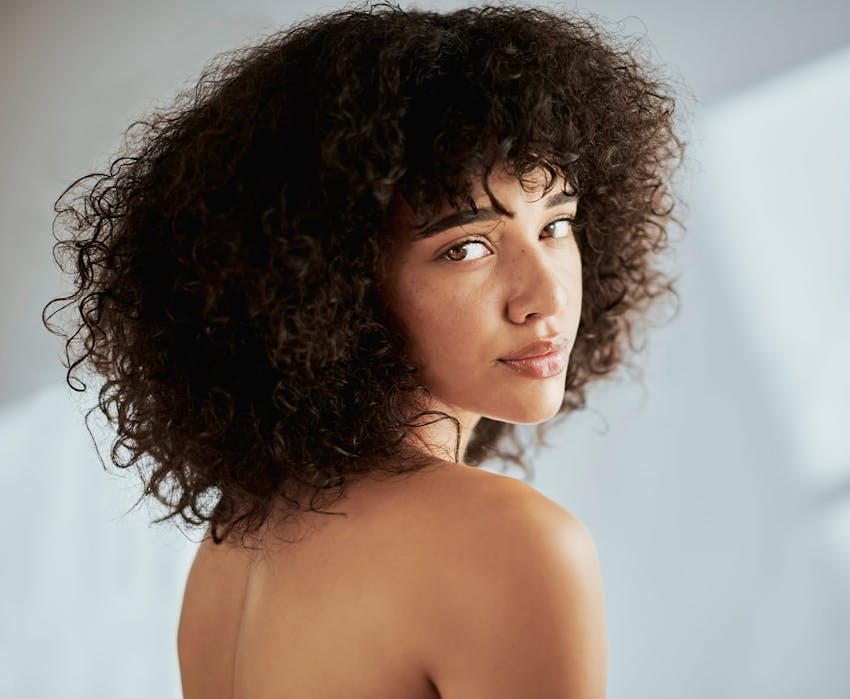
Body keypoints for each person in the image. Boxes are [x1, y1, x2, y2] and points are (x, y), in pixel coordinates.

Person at [42, 3, 682, 697]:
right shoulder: (508, 541)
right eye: (466, 247)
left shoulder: (239, 533)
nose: (546, 297)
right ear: (333, 286)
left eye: (556, 224)